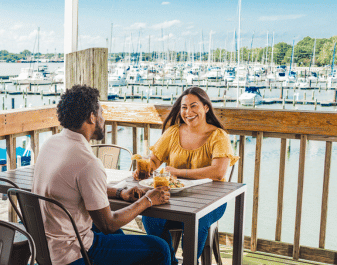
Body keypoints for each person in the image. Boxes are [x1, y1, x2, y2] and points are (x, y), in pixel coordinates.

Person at [33, 85, 172, 265]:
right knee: (159, 248)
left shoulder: (50, 144)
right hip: (74, 252)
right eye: (102, 112)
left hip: (46, 247)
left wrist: (119, 192)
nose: (103, 119)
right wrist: (148, 200)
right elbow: (108, 224)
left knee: (118, 236)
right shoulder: (88, 162)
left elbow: (76, 189)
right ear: (92, 116)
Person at [135, 86, 239, 265]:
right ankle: (170, 261)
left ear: (206, 107)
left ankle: (189, 262)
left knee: (197, 222)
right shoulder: (173, 132)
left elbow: (218, 171)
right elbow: (154, 161)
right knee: (150, 217)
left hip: (211, 202)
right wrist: (144, 168)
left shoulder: (218, 136)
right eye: (184, 107)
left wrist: (179, 172)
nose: (188, 112)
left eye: (193, 106)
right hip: (174, 199)